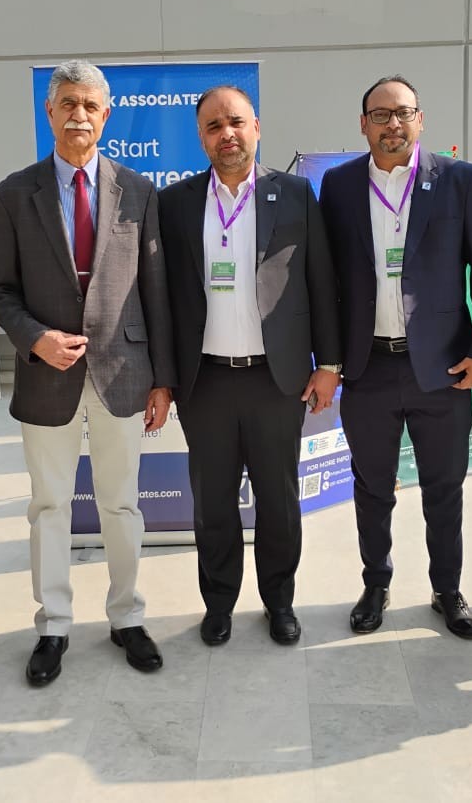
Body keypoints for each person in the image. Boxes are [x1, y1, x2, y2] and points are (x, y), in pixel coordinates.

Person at [0, 59, 175, 687]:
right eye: (68, 104)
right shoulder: (14, 195)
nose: (79, 116)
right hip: (48, 376)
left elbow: (156, 290)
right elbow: (0, 289)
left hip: (124, 372)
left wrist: (163, 378)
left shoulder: (138, 191)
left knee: (121, 503)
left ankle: (127, 616)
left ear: (107, 114)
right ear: (50, 111)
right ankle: (54, 625)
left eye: (90, 105)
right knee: (49, 505)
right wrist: (34, 339)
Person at [318, 75, 472, 640]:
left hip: (442, 369)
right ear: (363, 125)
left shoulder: (461, 180)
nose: (392, 124)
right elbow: (326, 281)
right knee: (372, 487)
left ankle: (447, 589)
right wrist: (330, 360)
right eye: (380, 115)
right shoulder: (340, 185)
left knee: (444, 489)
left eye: (402, 113)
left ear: (420, 120)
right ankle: (375, 584)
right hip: (368, 366)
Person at [157, 85, 341, 646]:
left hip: (276, 379)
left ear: (256, 126)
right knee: (213, 503)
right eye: (214, 127)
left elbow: (322, 282)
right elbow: (162, 299)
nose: (227, 134)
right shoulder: (176, 203)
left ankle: (279, 602)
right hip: (205, 380)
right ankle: (219, 604)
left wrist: (329, 363)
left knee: (279, 501)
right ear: (201, 138)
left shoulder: (295, 194)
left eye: (235, 122)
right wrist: (164, 378)